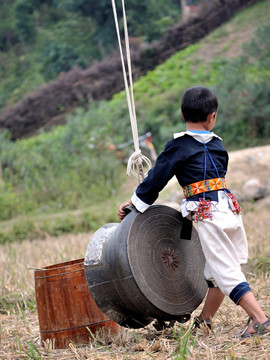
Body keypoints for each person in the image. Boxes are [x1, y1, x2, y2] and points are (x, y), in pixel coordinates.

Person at [117, 86, 269, 338]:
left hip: (208, 214)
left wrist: (135, 203)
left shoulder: (178, 146)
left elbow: (156, 179)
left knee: (225, 270)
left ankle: (259, 319)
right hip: (229, 209)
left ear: (181, 113)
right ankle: (205, 322)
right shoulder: (219, 145)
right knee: (215, 271)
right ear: (212, 117)